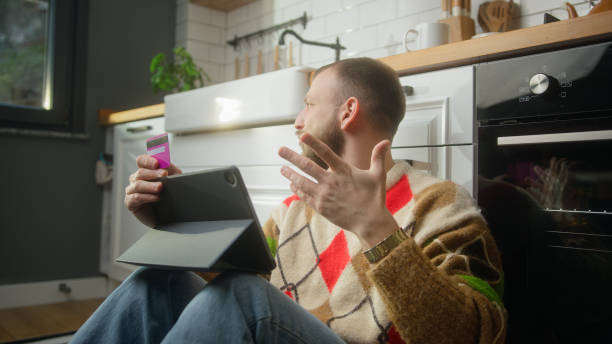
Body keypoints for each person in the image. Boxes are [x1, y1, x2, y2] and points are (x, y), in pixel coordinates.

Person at [71, 57, 507, 344]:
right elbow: (224, 291)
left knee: (242, 295)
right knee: (157, 281)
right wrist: (177, 216)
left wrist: (376, 229)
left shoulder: (439, 201)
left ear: (347, 111)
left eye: (308, 104)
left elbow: (476, 333)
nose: (298, 121)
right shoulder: (297, 208)